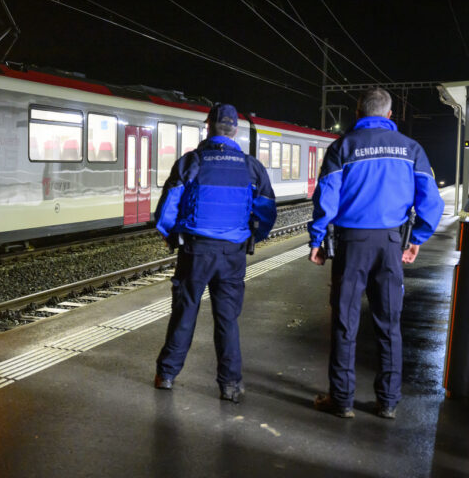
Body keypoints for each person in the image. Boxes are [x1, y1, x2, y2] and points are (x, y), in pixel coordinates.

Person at [308, 88, 444, 419]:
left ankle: (341, 400)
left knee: (344, 320)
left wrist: (316, 240)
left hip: (352, 245)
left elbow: (326, 196)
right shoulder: (412, 149)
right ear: (389, 115)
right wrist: (418, 239)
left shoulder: (343, 147)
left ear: (358, 111)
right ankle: (388, 402)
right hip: (390, 245)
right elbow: (432, 202)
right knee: (389, 323)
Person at [154, 103, 277, 402]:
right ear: (235, 130)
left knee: (185, 313)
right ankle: (230, 385)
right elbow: (268, 212)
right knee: (227, 320)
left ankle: (167, 375)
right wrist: (251, 236)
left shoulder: (191, 162)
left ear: (208, 126)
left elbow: (166, 209)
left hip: (195, 252)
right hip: (232, 254)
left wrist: (172, 236)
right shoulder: (251, 167)